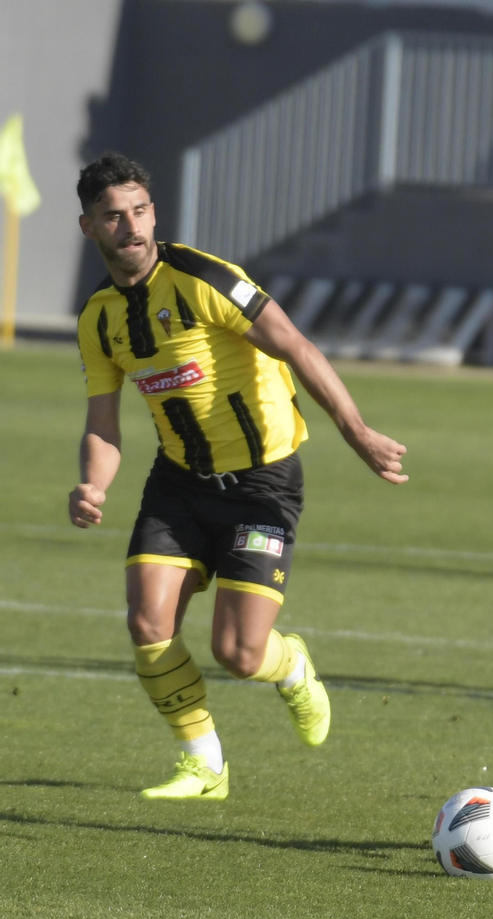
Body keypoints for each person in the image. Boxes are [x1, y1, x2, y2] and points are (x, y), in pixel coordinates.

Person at [69, 151, 408, 800]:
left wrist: (357, 431)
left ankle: (292, 666)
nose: (131, 227)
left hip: (262, 484)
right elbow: (104, 425)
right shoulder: (99, 318)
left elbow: (297, 346)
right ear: (89, 227)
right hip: (178, 484)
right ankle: (205, 763)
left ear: (154, 212)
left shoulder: (205, 279)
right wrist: (94, 483)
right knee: (147, 621)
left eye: (140, 211)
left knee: (239, 653)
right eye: (113, 217)